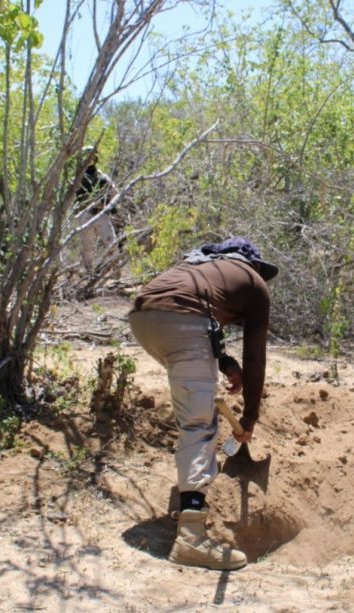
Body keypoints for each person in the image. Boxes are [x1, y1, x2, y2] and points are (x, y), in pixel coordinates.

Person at [127, 236, 278, 570]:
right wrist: (250, 417)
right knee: (199, 423)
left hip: (143, 318)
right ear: (254, 265)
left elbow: (198, 322)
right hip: (182, 323)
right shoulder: (253, 283)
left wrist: (223, 364)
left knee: (196, 395)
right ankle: (191, 541)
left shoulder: (201, 267)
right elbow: (256, 357)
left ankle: (189, 502)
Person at [75, 146, 117, 275]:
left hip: (100, 214)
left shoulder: (102, 177)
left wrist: (110, 207)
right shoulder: (77, 178)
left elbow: (114, 193)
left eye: (92, 156)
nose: (90, 159)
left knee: (112, 243)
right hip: (83, 216)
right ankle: (89, 275)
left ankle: (116, 274)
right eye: (88, 156)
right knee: (87, 249)